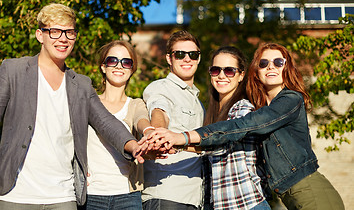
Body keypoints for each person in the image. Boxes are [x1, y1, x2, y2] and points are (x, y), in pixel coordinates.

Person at [0, 3, 146, 210]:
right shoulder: (13, 71)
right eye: (55, 31)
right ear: (40, 35)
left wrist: (133, 145)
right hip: (15, 194)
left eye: (69, 32)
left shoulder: (80, 85)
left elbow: (106, 121)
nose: (63, 39)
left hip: (63, 196)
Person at [149, 43, 345, 210]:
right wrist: (176, 145)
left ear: (241, 75)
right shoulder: (257, 107)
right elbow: (216, 147)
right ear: (256, 71)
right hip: (285, 194)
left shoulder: (284, 100)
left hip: (301, 188)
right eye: (263, 63)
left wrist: (181, 138)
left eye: (278, 62)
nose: (271, 67)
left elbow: (239, 129)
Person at [86, 40, 154, 209]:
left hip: (127, 196)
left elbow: (141, 120)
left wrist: (148, 131)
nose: (119, 66)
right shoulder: (87, 102)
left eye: (126, 62)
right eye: (112, 60)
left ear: (132, 69)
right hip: (91, 195)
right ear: (103, 66)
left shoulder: (135, 104)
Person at [142, 30, 204, 209]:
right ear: (169, 58)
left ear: (199, 58)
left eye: (192, 54)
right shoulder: (160, 88)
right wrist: (159, 131)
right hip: (167, 195)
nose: (187, 59)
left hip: (194, 197)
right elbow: (160, 110)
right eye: (180, 54)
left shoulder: (200, 102)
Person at [203, 46, 270, 210]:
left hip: (247, 203)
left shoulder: (243, 109)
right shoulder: (213, 113)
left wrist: (177, 143)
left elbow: (219, 145)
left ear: (241, 75)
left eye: (229, 71)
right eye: (216, 70)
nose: (221, 76)